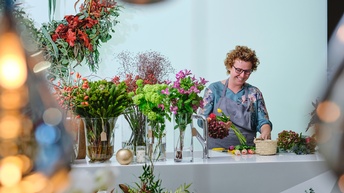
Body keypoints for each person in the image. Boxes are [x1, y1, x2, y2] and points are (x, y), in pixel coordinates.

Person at [198, 45, 272, 149]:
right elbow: (201, 120)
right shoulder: (214, 90)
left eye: (247, 72)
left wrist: (266, 130)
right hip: (216, 151)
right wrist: (216, 125)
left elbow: (262, 121)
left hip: (247, 151)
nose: (242, 75)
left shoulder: (254, 93)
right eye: (238, 70)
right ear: (229, 66)